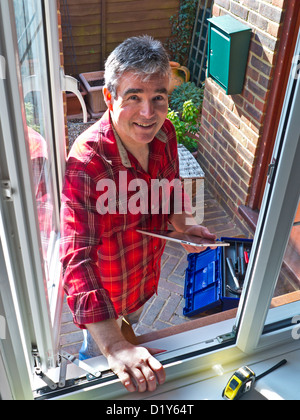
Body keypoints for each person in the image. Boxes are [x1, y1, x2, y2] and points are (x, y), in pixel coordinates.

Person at [60, 35, 216, 393]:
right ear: (110, 97)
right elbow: (76, 260)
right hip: (106, 296)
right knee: (99, 365)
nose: (149, 113)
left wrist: (185, 226)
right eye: (134, 97)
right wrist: (114, 346)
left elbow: (171, 187)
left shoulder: (166, 135)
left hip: (144, 284)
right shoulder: (87, 163)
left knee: (135, 328)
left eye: (157, 97)